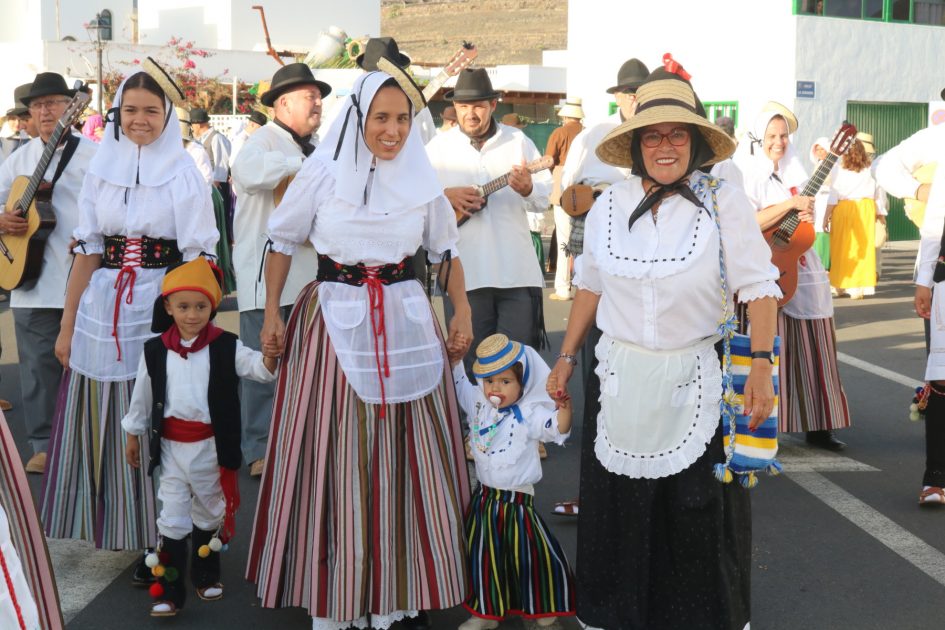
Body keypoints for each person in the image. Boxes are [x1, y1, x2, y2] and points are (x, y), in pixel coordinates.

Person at [549, 66, 779, 630]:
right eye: (653, 135)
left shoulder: (723, 201)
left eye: (678, 134)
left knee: (695, 512)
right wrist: (566, 356)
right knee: (624, 510)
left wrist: (761, 369)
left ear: (696, 142)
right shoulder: (608, 206)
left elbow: (760, 286)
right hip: (622, 379)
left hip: (697, 375)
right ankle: (625, 613)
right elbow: (590, 287)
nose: (666, 145)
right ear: (635, 146)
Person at [246, 69, 472, 630]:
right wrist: (272, 311)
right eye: (382, 118)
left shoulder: (421, 176)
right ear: (358, 117)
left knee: (404, 456)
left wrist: (460, 310)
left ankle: (400, 593)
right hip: (333, 322)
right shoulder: (321, 172)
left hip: (405, 320)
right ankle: (338, 588)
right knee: (339, 453)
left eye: (401, 119)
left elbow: (445, 252)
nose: (393, 130)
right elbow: (280, 242)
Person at [42, 61, 219, 556]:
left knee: (162, 412)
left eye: (151, 111)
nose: (139, 120)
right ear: (116, 113)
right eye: (130, 110)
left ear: (167, 116)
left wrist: (187, 323)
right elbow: (88, 250)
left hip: (163, 302)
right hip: (104, 306)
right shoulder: (102, 169)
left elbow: (199, 256)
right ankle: (131, 530)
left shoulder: (184, 172)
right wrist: (68, 324)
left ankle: (169, 536)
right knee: (108, 415)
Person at [121, 257, 276, 616]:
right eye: (184, 306)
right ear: (168, 307)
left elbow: (259, 370)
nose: (192, 314)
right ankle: (170, 592)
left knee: (208, 514)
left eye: (201, 306)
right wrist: (133, 433)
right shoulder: (155, 350)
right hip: (172, 449)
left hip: (210, 448)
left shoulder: (226, 346)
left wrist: (269, 356)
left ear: (213, 306)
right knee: (172, 518)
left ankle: (206, 573)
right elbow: (142, 396)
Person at [551, 57, 648, 518]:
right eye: (626, 93)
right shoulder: (594, 136)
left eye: (638, 92)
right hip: (607, 278)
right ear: (617, 98)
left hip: (652, 293)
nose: (631, 99)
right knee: (599, 384)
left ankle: (645, 496)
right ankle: (596, 493)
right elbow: (571, 191)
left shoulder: (664, 138)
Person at [230, 63, 329, 477]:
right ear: (283, 103)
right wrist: (299, 168)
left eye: (319, 97)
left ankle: (296, 443)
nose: (318, 103)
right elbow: (245, 174)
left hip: (307, 276)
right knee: (262, 363)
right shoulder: (263, 141)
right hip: (262, 276)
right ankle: (258, 447)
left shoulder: (317, 147)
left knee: (304, 365)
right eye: (310, 96)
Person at [735, 102, 851, 450]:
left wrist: (806, 212)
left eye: (784, 135)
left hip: (798, 262)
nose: (779, 142)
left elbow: (806, 222)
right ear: (758, 138)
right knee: (759, 348)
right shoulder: (745, 174)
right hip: (760, 267)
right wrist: (789, 206)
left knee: (813, 345)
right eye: (772, 135)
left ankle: (819, 424)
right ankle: (752, 421)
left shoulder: (797, 170)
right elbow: (747, 223)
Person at [0, 73, 98, 474]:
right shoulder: (18, 160)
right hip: (30, 279)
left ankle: (89, 439)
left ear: (71, 110)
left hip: (85, 280)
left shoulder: (94, 156)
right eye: (38, 105)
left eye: (54, 103)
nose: (45, 111)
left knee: (89, 364)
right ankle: (43, 442)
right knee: (38, 368)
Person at [449, 333, 575, 630]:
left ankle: (543, 612)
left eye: (505, 381)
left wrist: (564, 406)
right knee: (484, 561)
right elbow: (460, 387)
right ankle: (485, 614)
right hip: (485, 503)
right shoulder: (481, 405)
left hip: (518, 506)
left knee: (531, 561)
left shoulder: (529, 415)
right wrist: (456, 361)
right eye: (490, 380)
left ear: (523, 383)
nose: (495, 388)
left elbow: (557, 427)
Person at [426, 68, 552, 363]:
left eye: (479, 106)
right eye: (464, 106)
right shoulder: (437, 148)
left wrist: (528, 188)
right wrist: (446, 196)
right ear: (454, 107)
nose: (471, 113)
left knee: (518, 365)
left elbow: (543, 198)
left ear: (493, 105)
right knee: (470, 367)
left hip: (516, 275)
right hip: (463, 278)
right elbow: (414, 201)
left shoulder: (517, 140)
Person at [874, 121, 945, 504]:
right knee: (943, 377)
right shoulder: (938, 138)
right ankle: (935, 478)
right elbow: (883, 166)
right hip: (943, 272)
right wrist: (919, 189)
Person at [824, 136, 884, 299]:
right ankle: (859, 286)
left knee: (840, 248)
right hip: (865, 209)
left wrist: (826, 217)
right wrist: (881, 215)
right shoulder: (870, 169)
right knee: (863, 248)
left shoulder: (838, 168)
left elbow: (833, 195)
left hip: (844, 208)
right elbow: (878, 194)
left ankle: (839, 284)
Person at [546, 97, 585, 301]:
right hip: (584, 189)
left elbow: (549, 160)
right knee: (583, 240)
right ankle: (582, 285)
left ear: (566, 116)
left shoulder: (559, 133)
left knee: (563, 239)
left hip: (562, 186)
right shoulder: (587, 133)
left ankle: (563, 287)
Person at [190, 108, 233, 243]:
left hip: (216, 187)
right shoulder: (199, 139)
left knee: (218, 221)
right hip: (206, 187)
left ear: (198, 124)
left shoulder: (216, 138)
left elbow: (222, 164)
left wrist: (215, 185)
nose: (191, 128)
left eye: (192, 124)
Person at [809, 136, 835, 270]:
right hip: (817, 203)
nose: (819, 152)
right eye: (817, 149)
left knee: (823, 229)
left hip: (827, 200)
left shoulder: (833, 166)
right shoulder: (818, 165)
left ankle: (824, 263)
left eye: (822, 149)